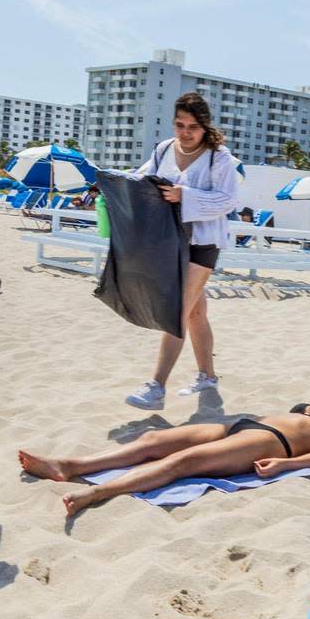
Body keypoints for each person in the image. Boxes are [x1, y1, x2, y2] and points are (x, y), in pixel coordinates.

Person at [19, 401, 310, 517]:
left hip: (272, 442)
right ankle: (71, 465)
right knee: (153, 440)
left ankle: (95, 494)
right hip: (244, 427)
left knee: (183, 462)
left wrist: (287, 465)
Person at [124, 92, 239, 410]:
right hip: (169, 240)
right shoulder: (162, 149)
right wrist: (111, 182)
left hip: (203, 243)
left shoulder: (219, 157)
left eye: (193, 126)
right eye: (179, 124)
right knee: (195, 313)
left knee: (177, 310)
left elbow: (228, 200)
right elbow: (142, 178)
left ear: (205, 126)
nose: (185, 132)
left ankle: (156, 386)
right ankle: (208, 376)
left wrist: (184, 195)